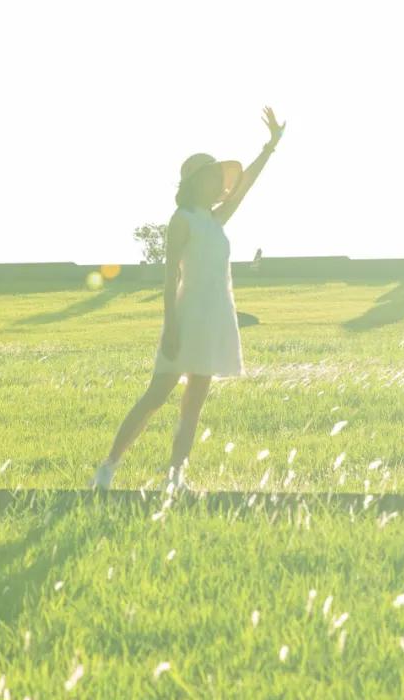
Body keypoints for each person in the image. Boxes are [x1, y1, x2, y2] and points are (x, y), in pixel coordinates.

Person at [90, 105, 286, 493]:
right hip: (188, 312)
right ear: (195, 183)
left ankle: (175, 476)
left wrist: (271, 146)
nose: (218, 183)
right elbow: (169, 280)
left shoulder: (215, 220)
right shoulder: (182, 221)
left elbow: (247, 185)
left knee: (193, 404)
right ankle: (108, 466)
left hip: (217, 314)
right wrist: (171, 327)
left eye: (218, 177)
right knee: (156, 396)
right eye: (210, 177)